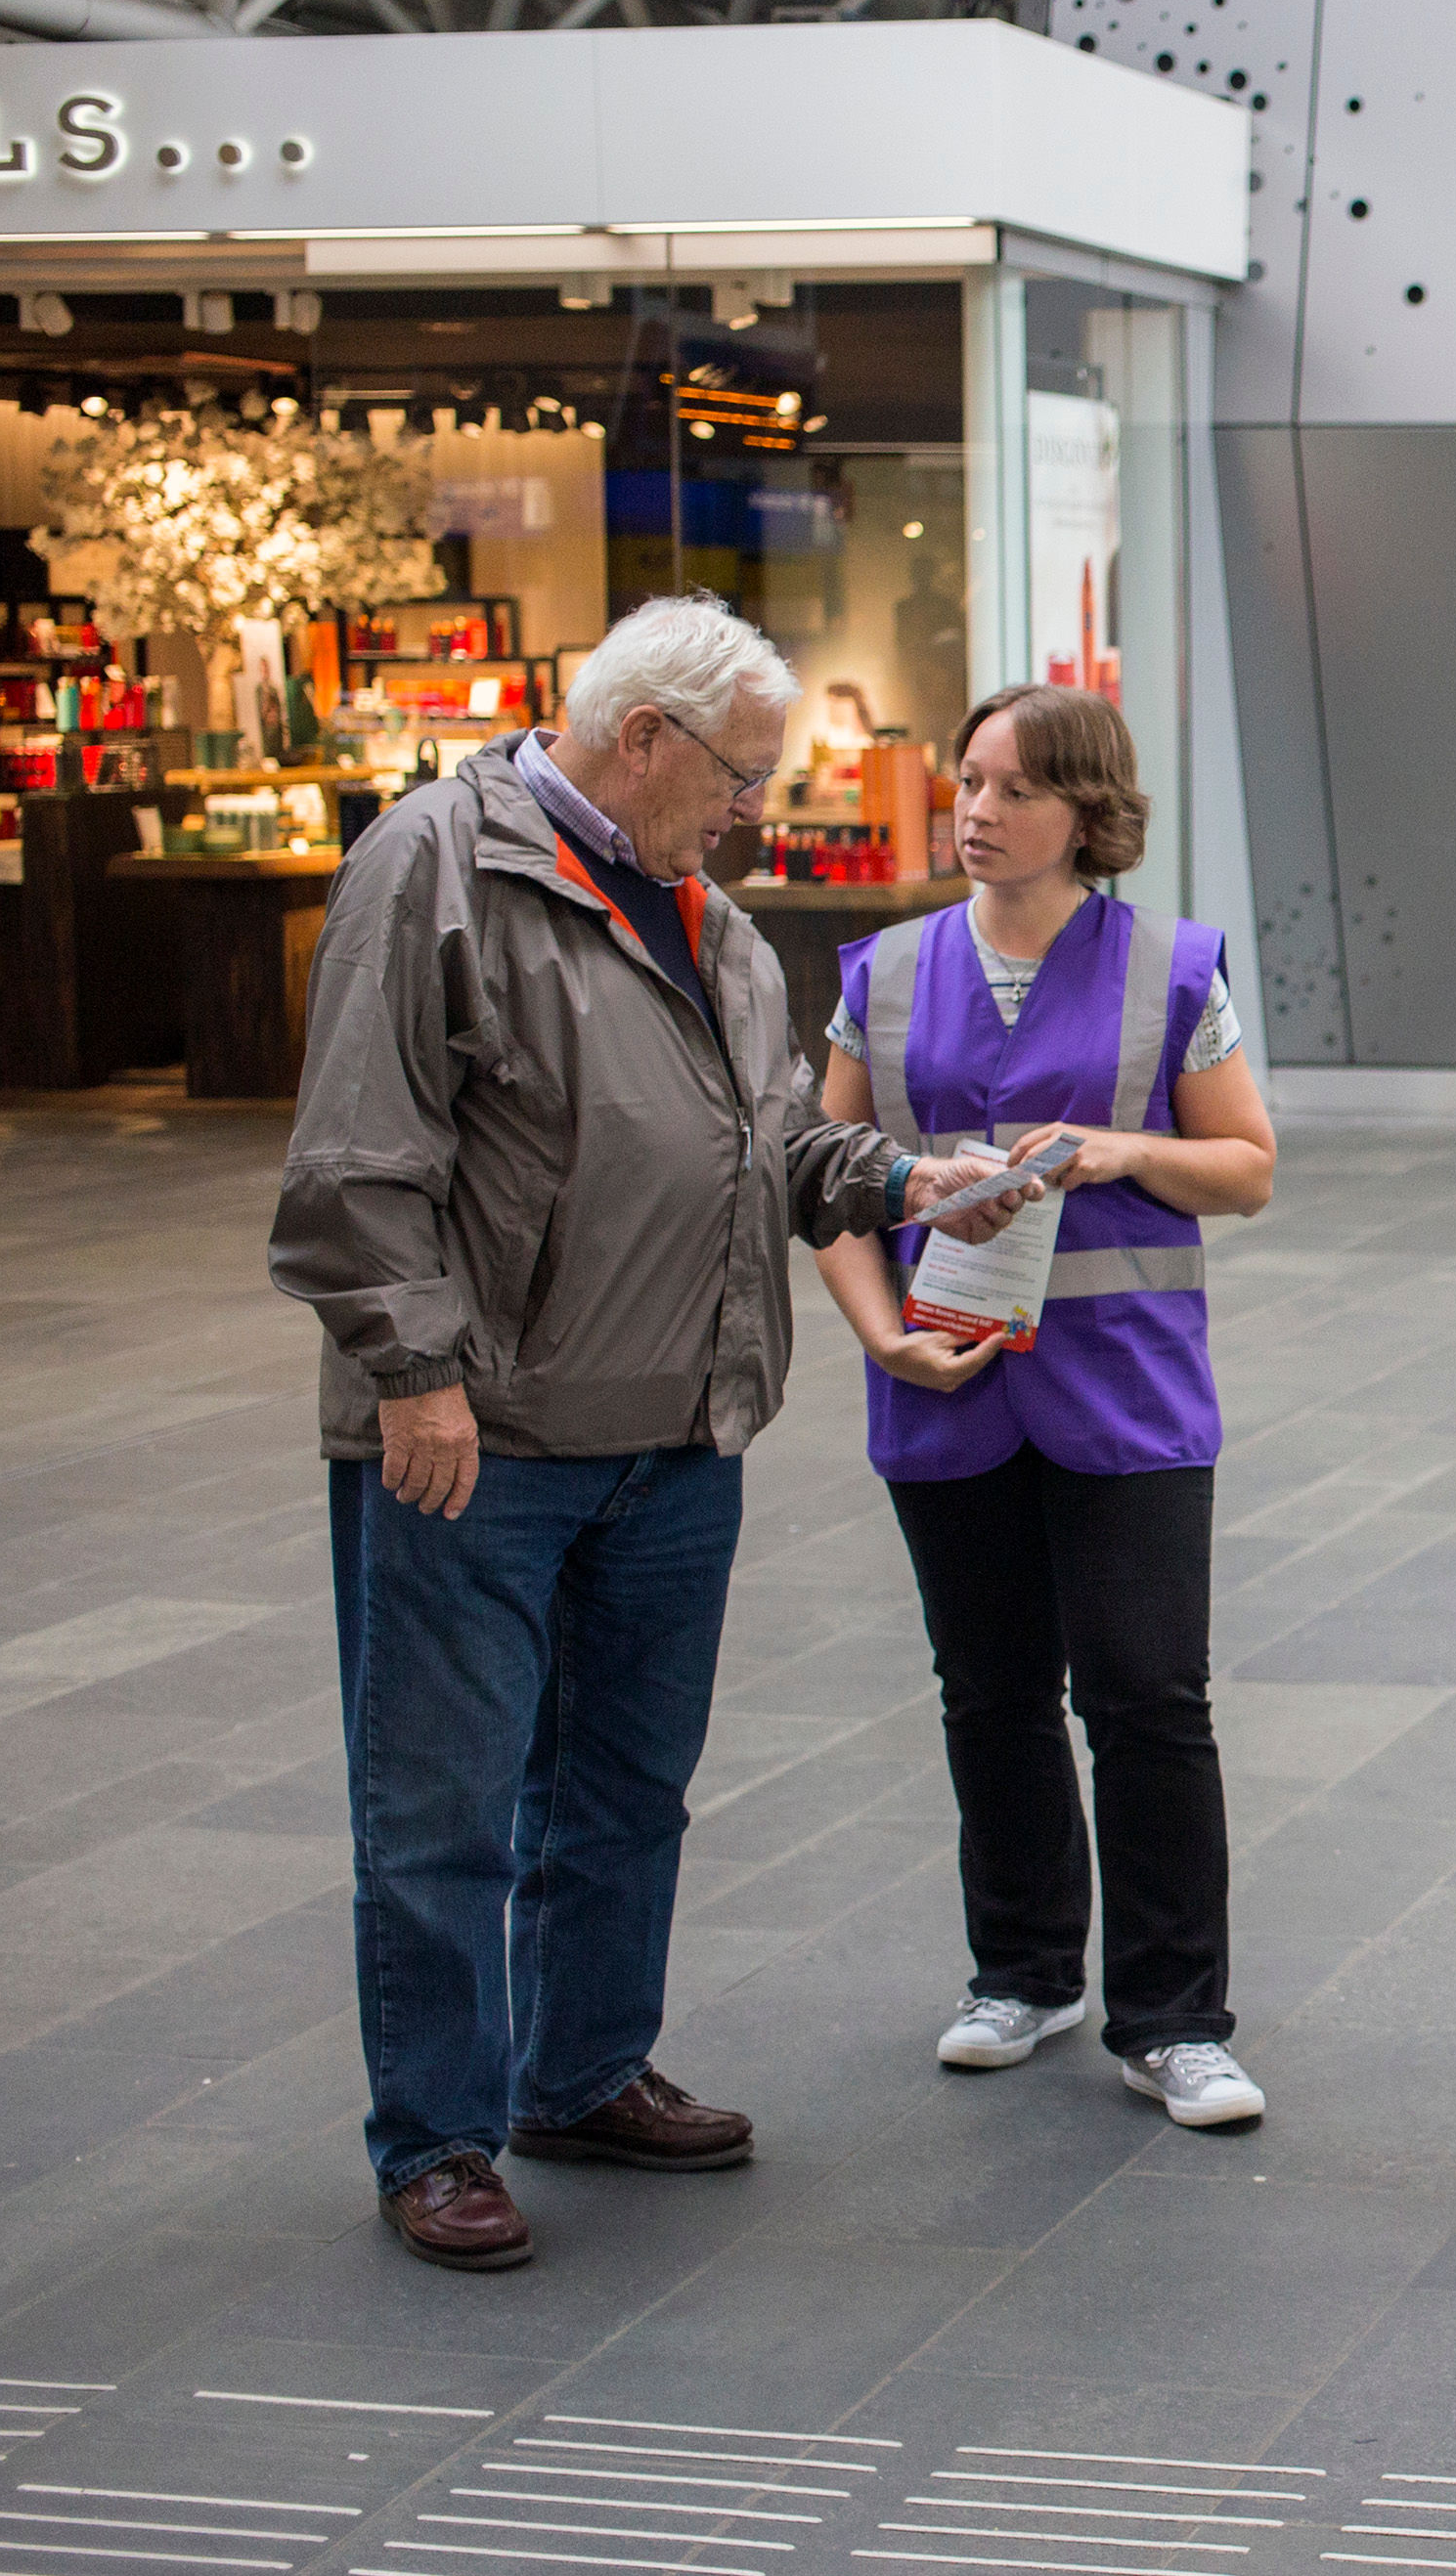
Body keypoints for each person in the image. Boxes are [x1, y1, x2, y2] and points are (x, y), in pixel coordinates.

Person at [271, 595, 1021, 2274]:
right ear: (643, 741)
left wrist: (909, 1181)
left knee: (626, 1790)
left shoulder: (712, 928)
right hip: (487, 1435)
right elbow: (353, 1166)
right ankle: (439, 2140)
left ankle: (583, 2070)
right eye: (744, 776)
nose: (761, 808)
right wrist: (415, 1373)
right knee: (443, 1805)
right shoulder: (437, 866)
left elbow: (768, 1152)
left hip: (679, 1431)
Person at [812, 685, 1278, 2128]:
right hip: (945, 1384)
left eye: (1011, 788)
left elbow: (1247, 1166)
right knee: (991, 1692)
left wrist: (1127, 1147)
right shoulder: (881, 973)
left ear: (1088, 811)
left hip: (1126, 1395)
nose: (976, 808)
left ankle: (1175, 2014)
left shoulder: (1174, 969)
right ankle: (1020, 1971)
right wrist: (882, 1336)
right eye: (967, 781)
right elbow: (819, 1176)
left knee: (1148, 1695)